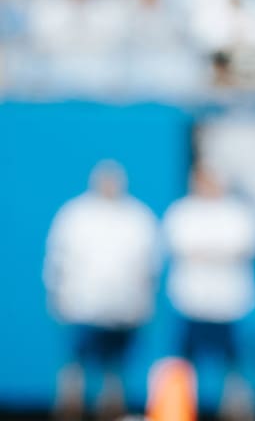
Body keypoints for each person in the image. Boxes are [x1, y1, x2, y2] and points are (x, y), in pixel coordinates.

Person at [43, 159, 162, 421]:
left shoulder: (137, 216)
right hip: (81, 306)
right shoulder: (74, 214)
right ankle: (70, 409)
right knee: (75, 366)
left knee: (115, 370)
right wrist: (58, 296)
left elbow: (150, 265)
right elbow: (57, 259)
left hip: (123, 309)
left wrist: (143, 302)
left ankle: (110, 411)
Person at [163, 162, 255, 420]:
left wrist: (207, 252)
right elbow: (183, 247)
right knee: (184, 367)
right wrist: (218, 252)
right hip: (191, 304)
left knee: (235, 371)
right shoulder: (182, 212)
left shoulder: (239, 212)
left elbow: (243, 246)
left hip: (230, 305)